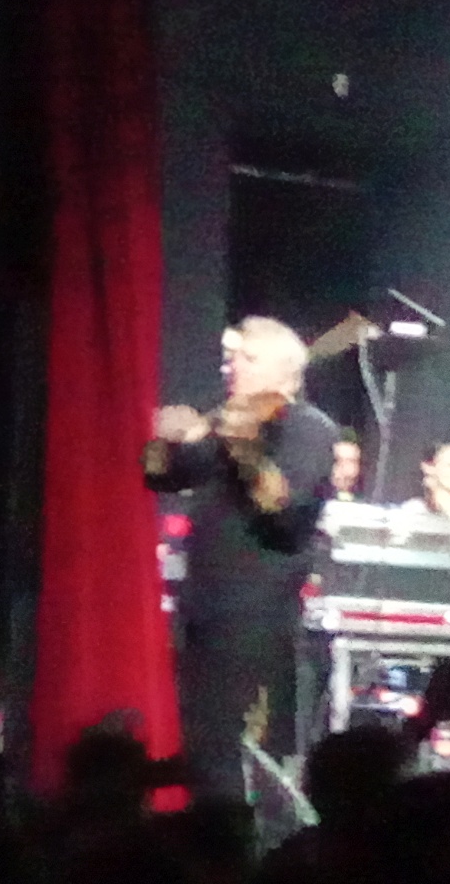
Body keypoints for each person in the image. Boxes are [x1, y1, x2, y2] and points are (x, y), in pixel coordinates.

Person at [148, 315, 346, 803]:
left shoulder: (307, 428)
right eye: (231, 358)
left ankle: (230, 836)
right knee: (194, 742)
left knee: (225, 749)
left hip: (254, 618)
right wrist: (163, 439)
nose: (231, 367)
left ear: (285, 372)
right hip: (202, 610)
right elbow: (160, 475)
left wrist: (241, 445)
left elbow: (283, 510)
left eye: (248, 358)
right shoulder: (229, 423)